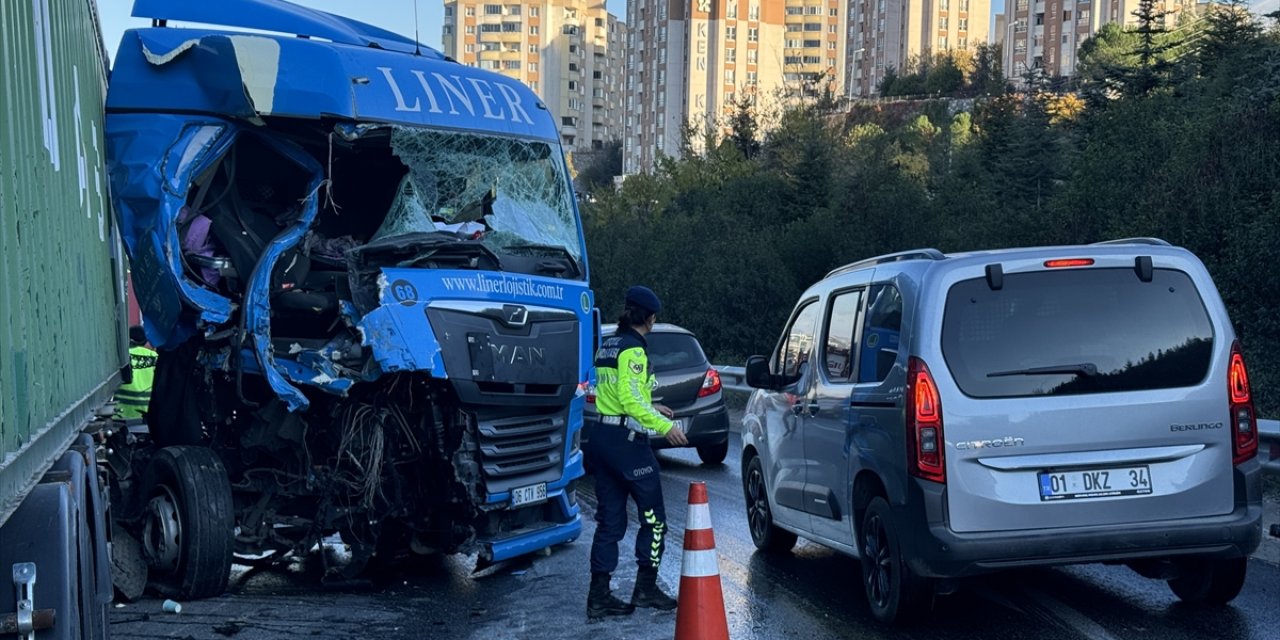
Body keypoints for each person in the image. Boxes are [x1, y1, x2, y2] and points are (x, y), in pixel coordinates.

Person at [583, 285, 688, 619]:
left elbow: (615, 393)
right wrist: (663, 427)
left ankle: (598, 596)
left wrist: (653, 405)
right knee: (655, 520)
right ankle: (646, 588)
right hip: (626, 444)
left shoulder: (608, 345)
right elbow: (629, 400)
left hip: (601, 437)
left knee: (609, 522)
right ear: (650, 318)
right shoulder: (634, 349)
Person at [115, 326, 157, 421]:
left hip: (120, 414)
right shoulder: (154, 357)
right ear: (145, 340)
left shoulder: (120, 357)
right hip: (146, 413)